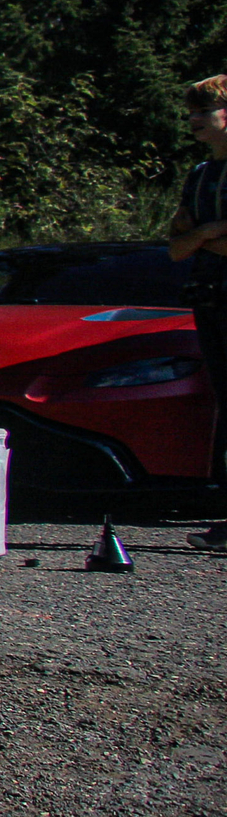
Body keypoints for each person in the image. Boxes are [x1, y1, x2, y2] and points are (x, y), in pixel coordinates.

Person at [169, 75, 227, 548]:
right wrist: (211, 232)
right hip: (210, 293)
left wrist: (203, 233)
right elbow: (178, 246)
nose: (193, 121)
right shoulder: (200, 175)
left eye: (202, 112)